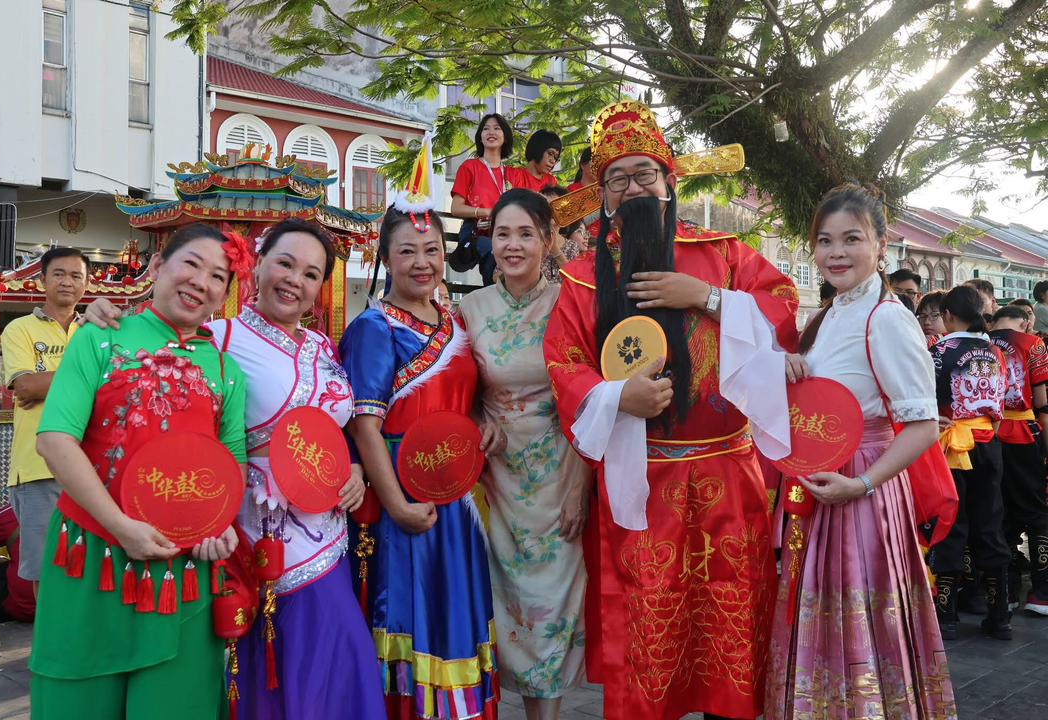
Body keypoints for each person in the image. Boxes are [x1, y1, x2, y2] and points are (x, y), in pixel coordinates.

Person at [543, 101, 799, 720]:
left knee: (732, 625)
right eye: (617, 178)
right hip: (642, 479)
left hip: (727, 474)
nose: (633, 187)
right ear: (601, 193)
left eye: (644, 173)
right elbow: (564, 362)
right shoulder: (582, 278)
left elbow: (784, 306)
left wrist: (708, 297)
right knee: (647, 633)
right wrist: (617, 397)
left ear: (669, 180)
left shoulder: (726, 254)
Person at [81, 220, 385, 719]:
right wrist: (104, 315)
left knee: (340, 663)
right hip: (262, 538)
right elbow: (150, 361)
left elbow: (339, 427)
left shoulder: (323, 347)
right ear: (257, 266)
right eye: (285, 263)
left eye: (311, 274)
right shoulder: (217, 339)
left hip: (332, 534)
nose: (295, 280)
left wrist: (354, 468)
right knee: (285, 666)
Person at [31, 223, 248, 718]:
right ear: (157, 266)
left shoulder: (226, 370)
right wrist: (120, 526)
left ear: (224, 296)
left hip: (182, 574)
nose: (201, 282)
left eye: (218, 276)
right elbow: (55, 440)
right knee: (76, 701)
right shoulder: (100, 338)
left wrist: (221, 526)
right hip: (91, 559)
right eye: (191, 263)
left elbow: (231, 460)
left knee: (178, 706)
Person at [770, 184, 955, 718]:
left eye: (852, 239)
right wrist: (789, 367)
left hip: (862, 487)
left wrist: (862, 484)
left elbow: (923, 426)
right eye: (824, 241)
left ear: (880, 245)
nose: (836, 253)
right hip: (821, 484)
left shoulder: (887, 317)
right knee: (822, 611)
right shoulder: (829, 315)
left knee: (860, 615)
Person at [341, 200, 505, 719]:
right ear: (386, 259)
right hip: (404, 497)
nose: (422, 262)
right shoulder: (374, 328)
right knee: (411, 613)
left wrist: (481, 423)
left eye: (431, 250)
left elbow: (464, 400)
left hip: (458, 498)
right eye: (407, 251)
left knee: (455, 612)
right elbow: (364, 426)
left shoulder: (455, 322)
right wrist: (396, 506)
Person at [460, 189, 589, 720]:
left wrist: (582, 485)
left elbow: (594, 396)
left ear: (549, 240)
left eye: (525, 234)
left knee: (553, 607)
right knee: (502, 603)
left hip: (562, 469)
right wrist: (476, 420)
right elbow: (457, 390)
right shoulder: (469, 309)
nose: (512, 245)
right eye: (502, 234)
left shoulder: (572, 302)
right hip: (498, 479)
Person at [1, 246, 87, 594]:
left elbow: (115, 384)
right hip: (38, 467)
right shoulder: (19, 329)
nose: (67, 282)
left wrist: (46, 385)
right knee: (48, 571)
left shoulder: (94, 332)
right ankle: (48, 633)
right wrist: (90, 377)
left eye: (76, 275)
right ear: (42, 280)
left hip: (93, 465)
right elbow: (25, 386)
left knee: (91, 568)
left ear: (86, 284)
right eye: (59, 274)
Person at [929, 285, 1012, 640]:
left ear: (948, 315)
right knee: (990, 523)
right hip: (988, 443)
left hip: (950, 446)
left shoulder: (939, 351)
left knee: (950, 523)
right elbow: (1001, 404)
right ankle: (999, 616)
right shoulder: (996, 352)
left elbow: (926, 399)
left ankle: (947, 616)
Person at [989, 304, 1048, 616]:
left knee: (1000, 512)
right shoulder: (1033, 344)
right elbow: (1042, 402)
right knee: (1036, 512)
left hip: (987, 436)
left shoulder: (981, 342)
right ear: (1025, 323)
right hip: (1023, 434)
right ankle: (1042, 592)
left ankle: (1006, 591)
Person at [450, 113, 514, 286]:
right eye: (486, 129)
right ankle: (495, 293)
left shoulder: (512, 173)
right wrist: (485, 212)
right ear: (480, 136)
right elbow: (456, 208)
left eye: (497, 128)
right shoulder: (469, 167)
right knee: (494, 251)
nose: (491, 132)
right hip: (476, 233)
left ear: (505, 137)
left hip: (505, 233)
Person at [538, 186, 587, 284]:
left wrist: (555, 250)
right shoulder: (529, 240)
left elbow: (574, 280)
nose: (550, 212)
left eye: (555, 207)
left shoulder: (572, 246)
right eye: (546, 206)